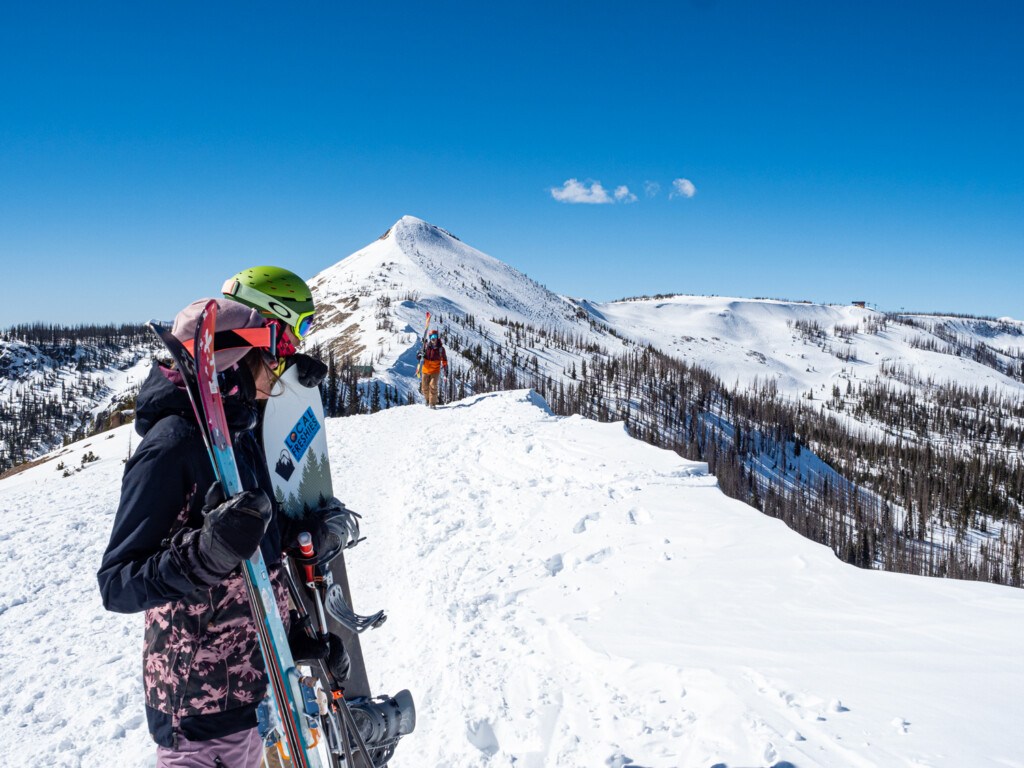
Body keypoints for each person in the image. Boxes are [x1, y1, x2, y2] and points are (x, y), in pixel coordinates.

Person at [97, 285, 346, 766]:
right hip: (195, 709)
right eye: (268, 361)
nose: (275, 375)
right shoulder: (172, 447)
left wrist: (294, 635)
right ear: (233, 361)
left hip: (246, 694)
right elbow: (117, 583)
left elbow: (258, 562)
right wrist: (204, 553)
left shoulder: (239, 436)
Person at [417, 329, 448, 408]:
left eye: (435, 336)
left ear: (437, 337)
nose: (433, 338)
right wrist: (419, 356)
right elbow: (419, 354)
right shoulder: (426, 346)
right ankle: (427, 400)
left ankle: (432, 404)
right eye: (431, 337)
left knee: (433, 386)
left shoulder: (441, 349)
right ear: (430, 337)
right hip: (425, 370)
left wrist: (445, 373)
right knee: (424, 388)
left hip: (435, 370)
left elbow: (444, 361)